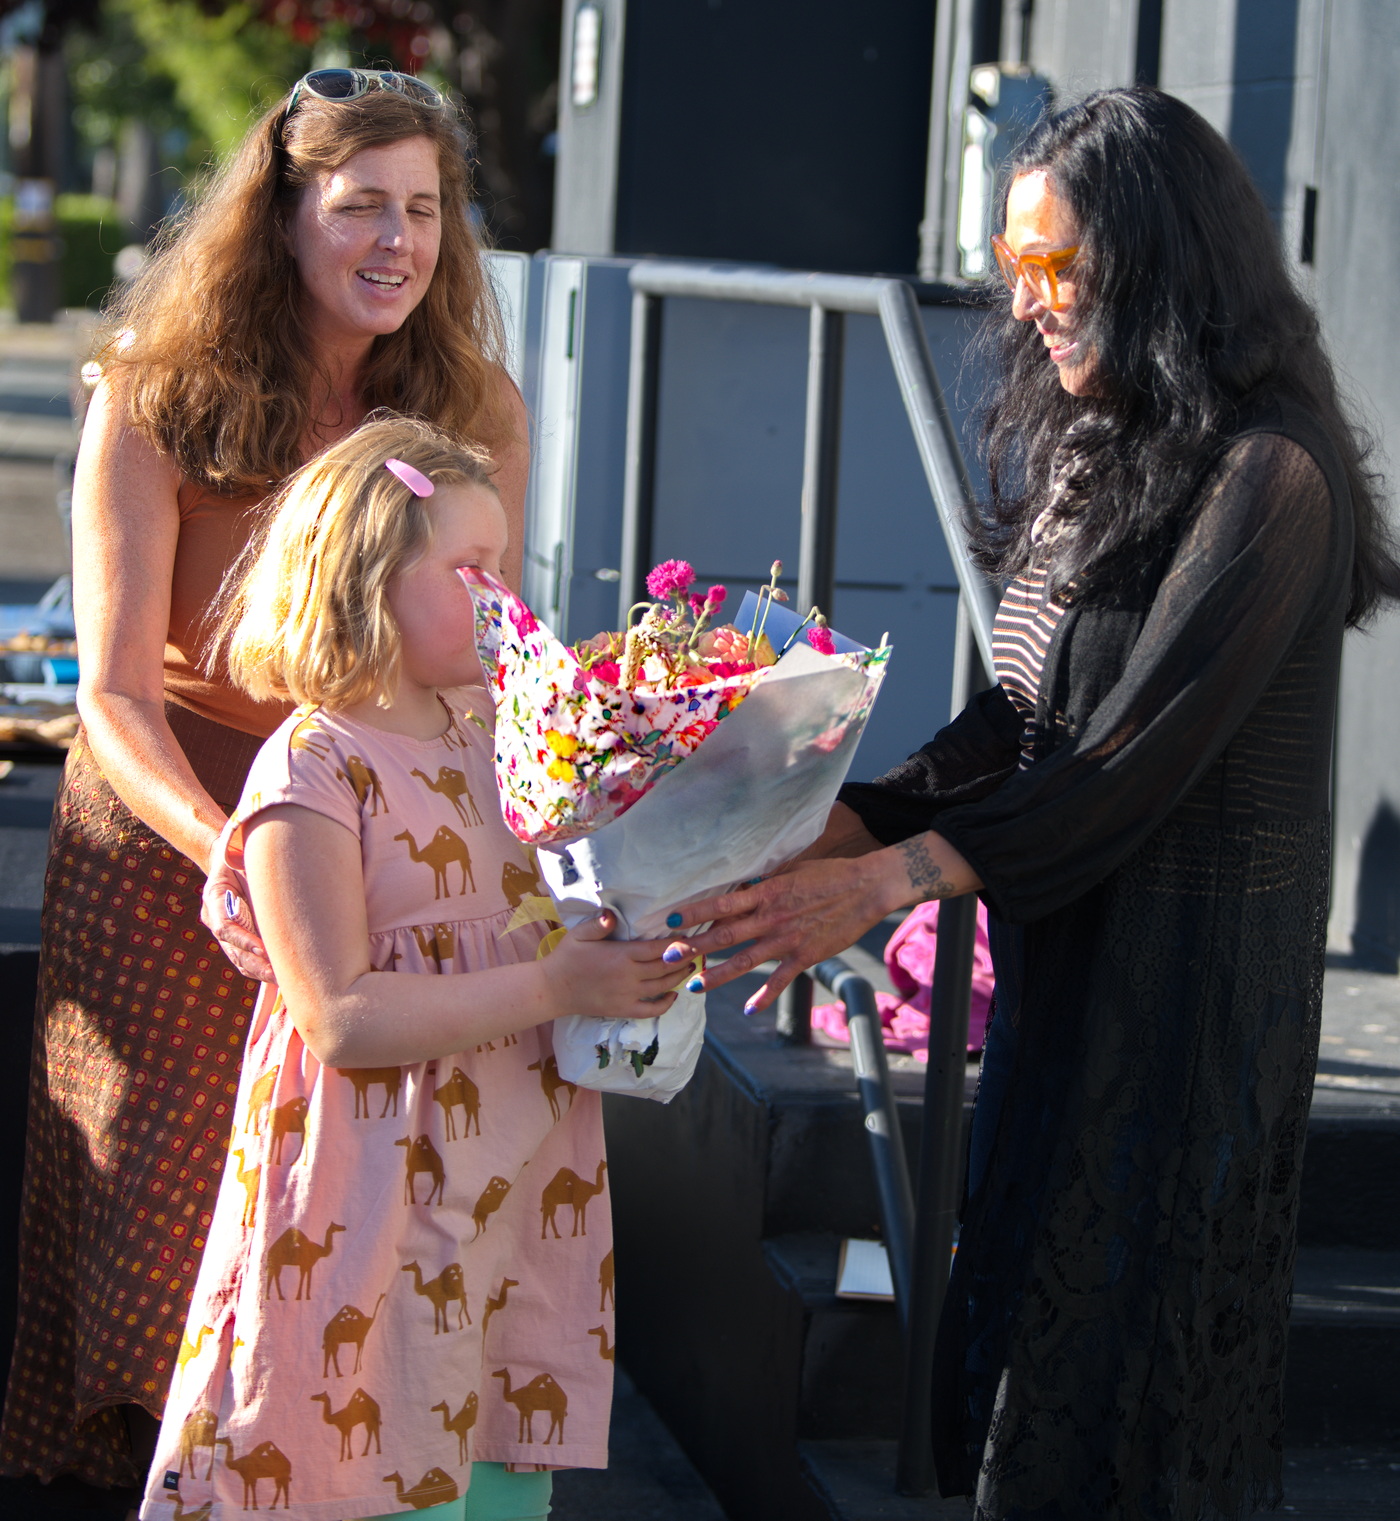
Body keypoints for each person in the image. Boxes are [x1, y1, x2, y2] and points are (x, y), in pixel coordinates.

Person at [670, 88, 1400, 1520]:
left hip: (1182, 1012)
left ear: (1156, 256)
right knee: (1021, 1381)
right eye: (1013, 262)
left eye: (1054, 264)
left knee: (1127, 1407)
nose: (1023, 298)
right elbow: (1019, 715)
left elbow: (1126, 755)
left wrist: (879, 882)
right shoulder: (1097, 442)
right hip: (1067, 973)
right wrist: (827, 821)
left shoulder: (1274, 474)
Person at [1, 71, 528, 1491]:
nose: (397, 241)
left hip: (378, 845)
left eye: (423, 209)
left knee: (340, 1225)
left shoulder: (476, 408)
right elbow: (113, 691)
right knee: (160, 1229)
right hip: (176, 834)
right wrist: (230, 848)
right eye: (361, 207)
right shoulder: (157, 390)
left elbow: (482, 665)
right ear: (282, 215)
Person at [135, 414, 676, 1521]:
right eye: (470, 570)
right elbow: (338, 1016)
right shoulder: (315, 765)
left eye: (503, 566)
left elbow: (561, 888)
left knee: (492, 1462)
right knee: (363, 1453)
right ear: (364, 580)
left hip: (514, 1171)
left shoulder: (498, 731)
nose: (502, 599)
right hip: (377, 1182)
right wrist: (556, 988)